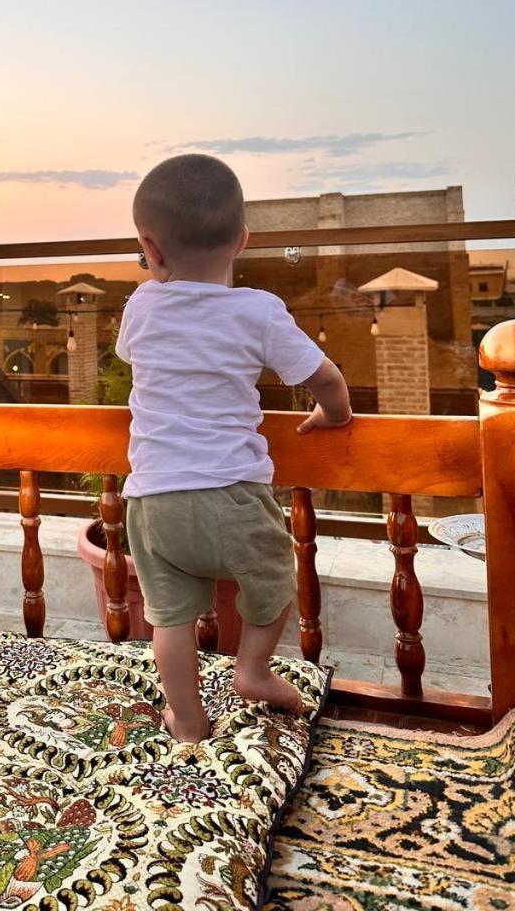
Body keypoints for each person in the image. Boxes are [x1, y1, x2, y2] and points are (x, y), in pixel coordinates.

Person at [116, 154, 352, 742]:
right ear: (243, 240)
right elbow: (324, 378)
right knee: (273, 584)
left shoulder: (142, 305)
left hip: (152, 502)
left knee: (168, 619)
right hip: (233, 495)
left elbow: (131, 356)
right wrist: (333, 414)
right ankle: (250, 669)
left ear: (151, 247)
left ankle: (189, 720)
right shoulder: (258, 311)